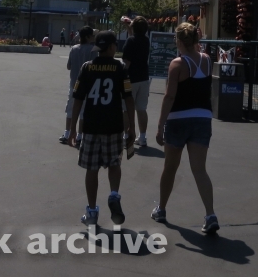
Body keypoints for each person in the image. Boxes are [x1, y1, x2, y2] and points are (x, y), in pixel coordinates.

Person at [152, 22, 218, 234]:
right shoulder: (207, 61)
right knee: (200, 169)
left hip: (178, 119)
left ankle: (161, 209)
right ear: (196, 41)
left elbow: (170, 96)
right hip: (202, 118)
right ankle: (210, 214)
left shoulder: (177, 64)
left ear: (179, 41)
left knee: (170, 167)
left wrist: (160, 124)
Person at [69, 31, 136, 228]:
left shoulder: (87, 67)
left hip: (91, 125)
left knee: (92, 168)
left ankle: (91, 211)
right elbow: (128, 98)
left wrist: (73, 128)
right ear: (113, 47)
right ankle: (114, 194)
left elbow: (78, 98)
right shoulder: (120, 68)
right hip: (113, 124)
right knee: (114, 163)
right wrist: (131, 125)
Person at [61, 27, 96, 144]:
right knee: (83, 111)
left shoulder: (74, 49)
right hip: (88, 85)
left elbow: (68, 66)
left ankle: (67, 132)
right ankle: (80, 135)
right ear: (87, 37)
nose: (93, 37)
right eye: (92, 35)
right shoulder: (93, 50)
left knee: (70, 108)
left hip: (74, 83)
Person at [121, 16, 152, 147]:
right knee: (141, 108)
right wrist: (129, 25)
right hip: (144, 78)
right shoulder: (146, 40)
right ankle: (143, 137)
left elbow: (127, 61)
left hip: (131, 78)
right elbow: (134, 36)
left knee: (127, 109)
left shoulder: (130, 41)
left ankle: (126, 136)